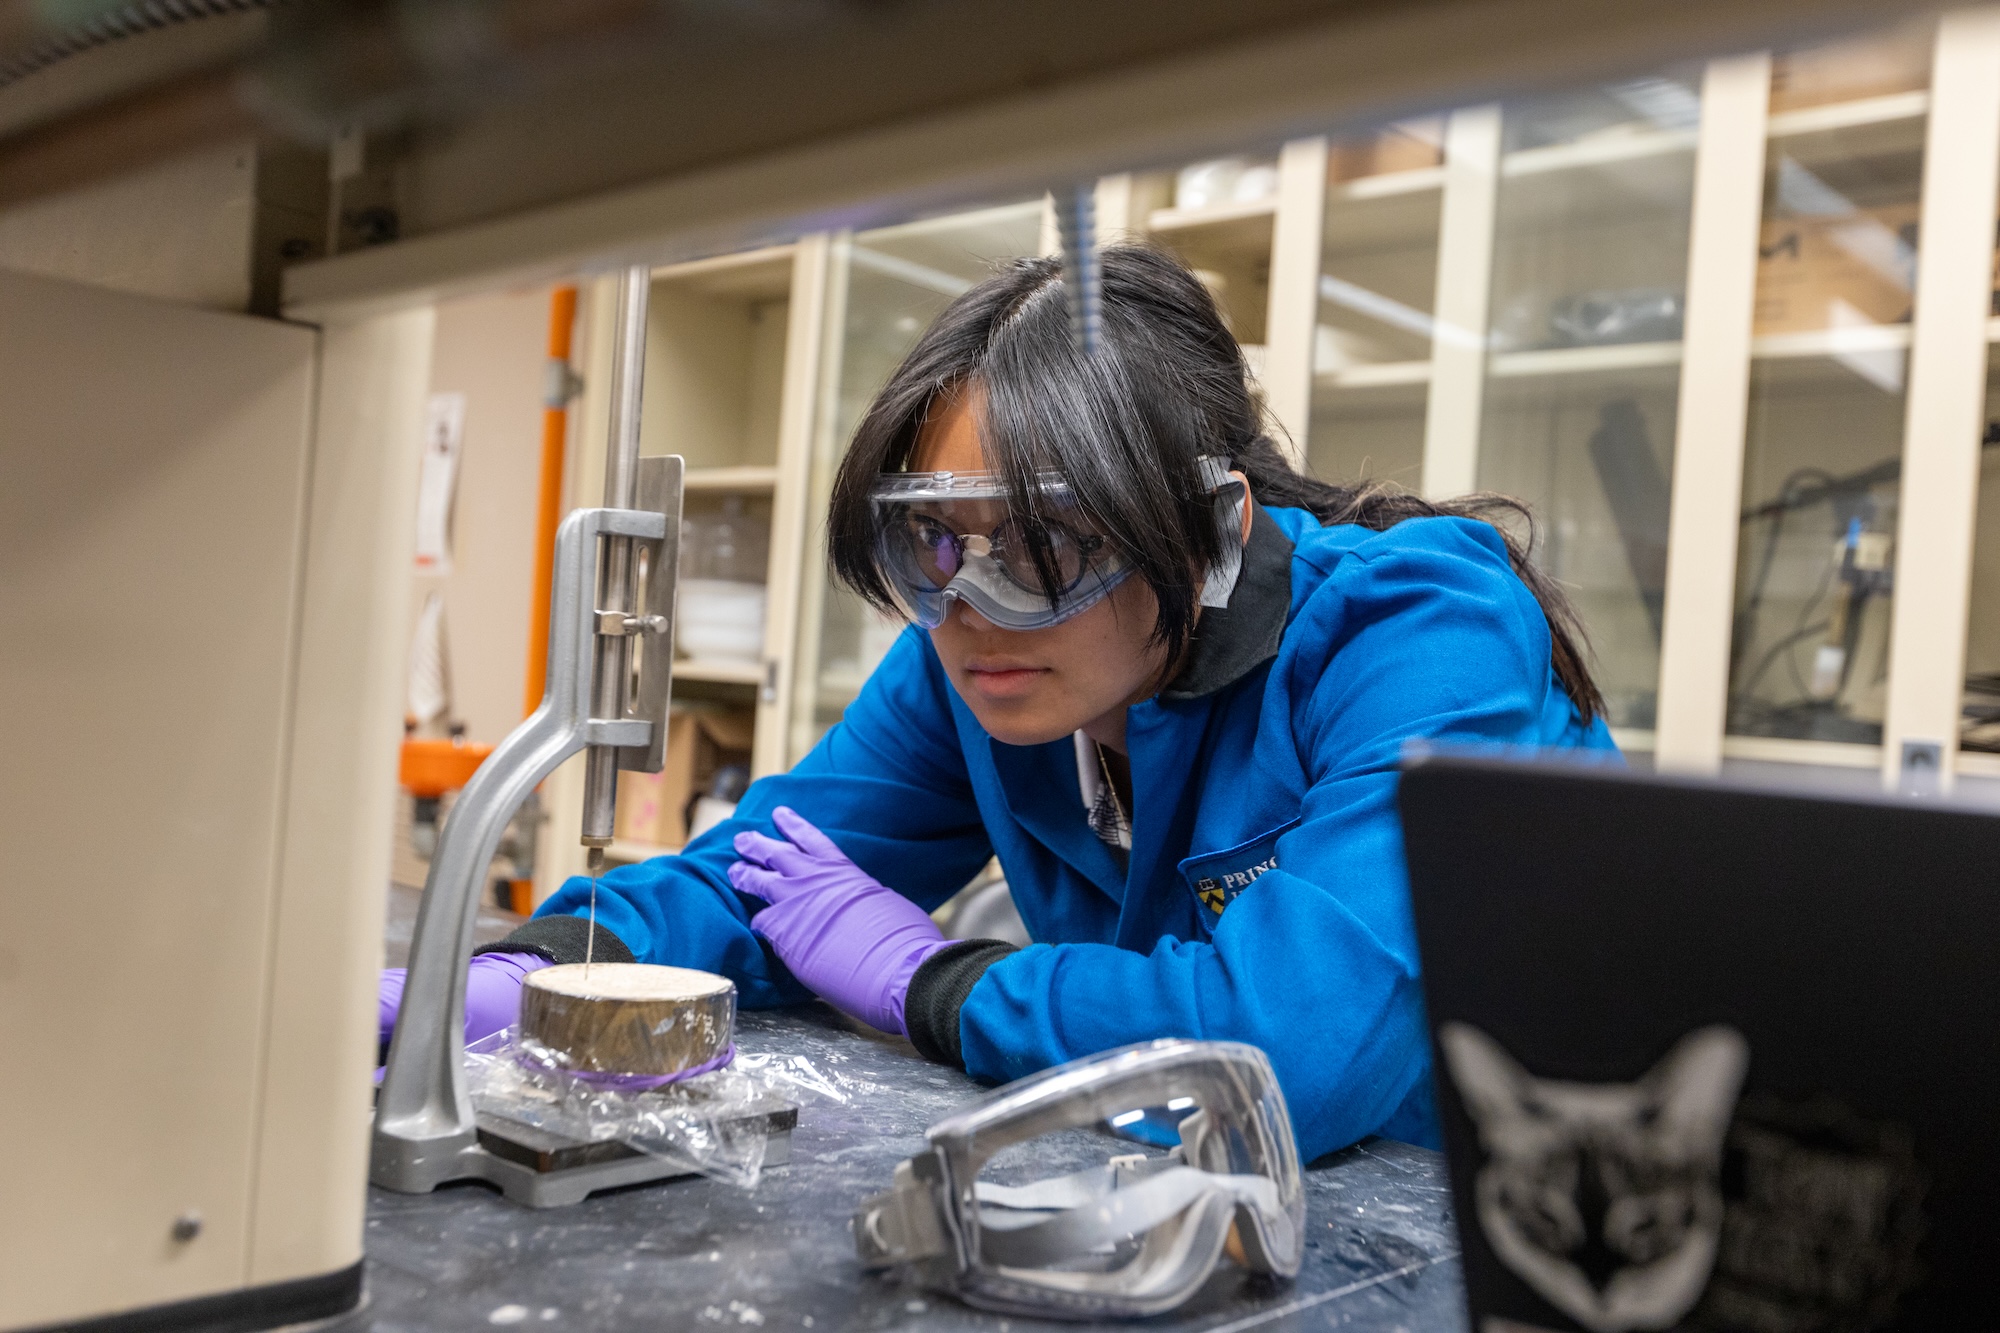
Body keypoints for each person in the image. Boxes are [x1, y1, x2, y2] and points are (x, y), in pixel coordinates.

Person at [380, 245, 1615, 1159]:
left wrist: (940, 982)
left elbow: (1294, 1054)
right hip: (1201, 1176)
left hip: (1499, 1211)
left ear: (1209, 533)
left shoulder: (1416, 633)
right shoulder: (975, 650)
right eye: (927, 539)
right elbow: (765, 872)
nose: (969, 603)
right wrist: (533, 970)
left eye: (1043, 543)